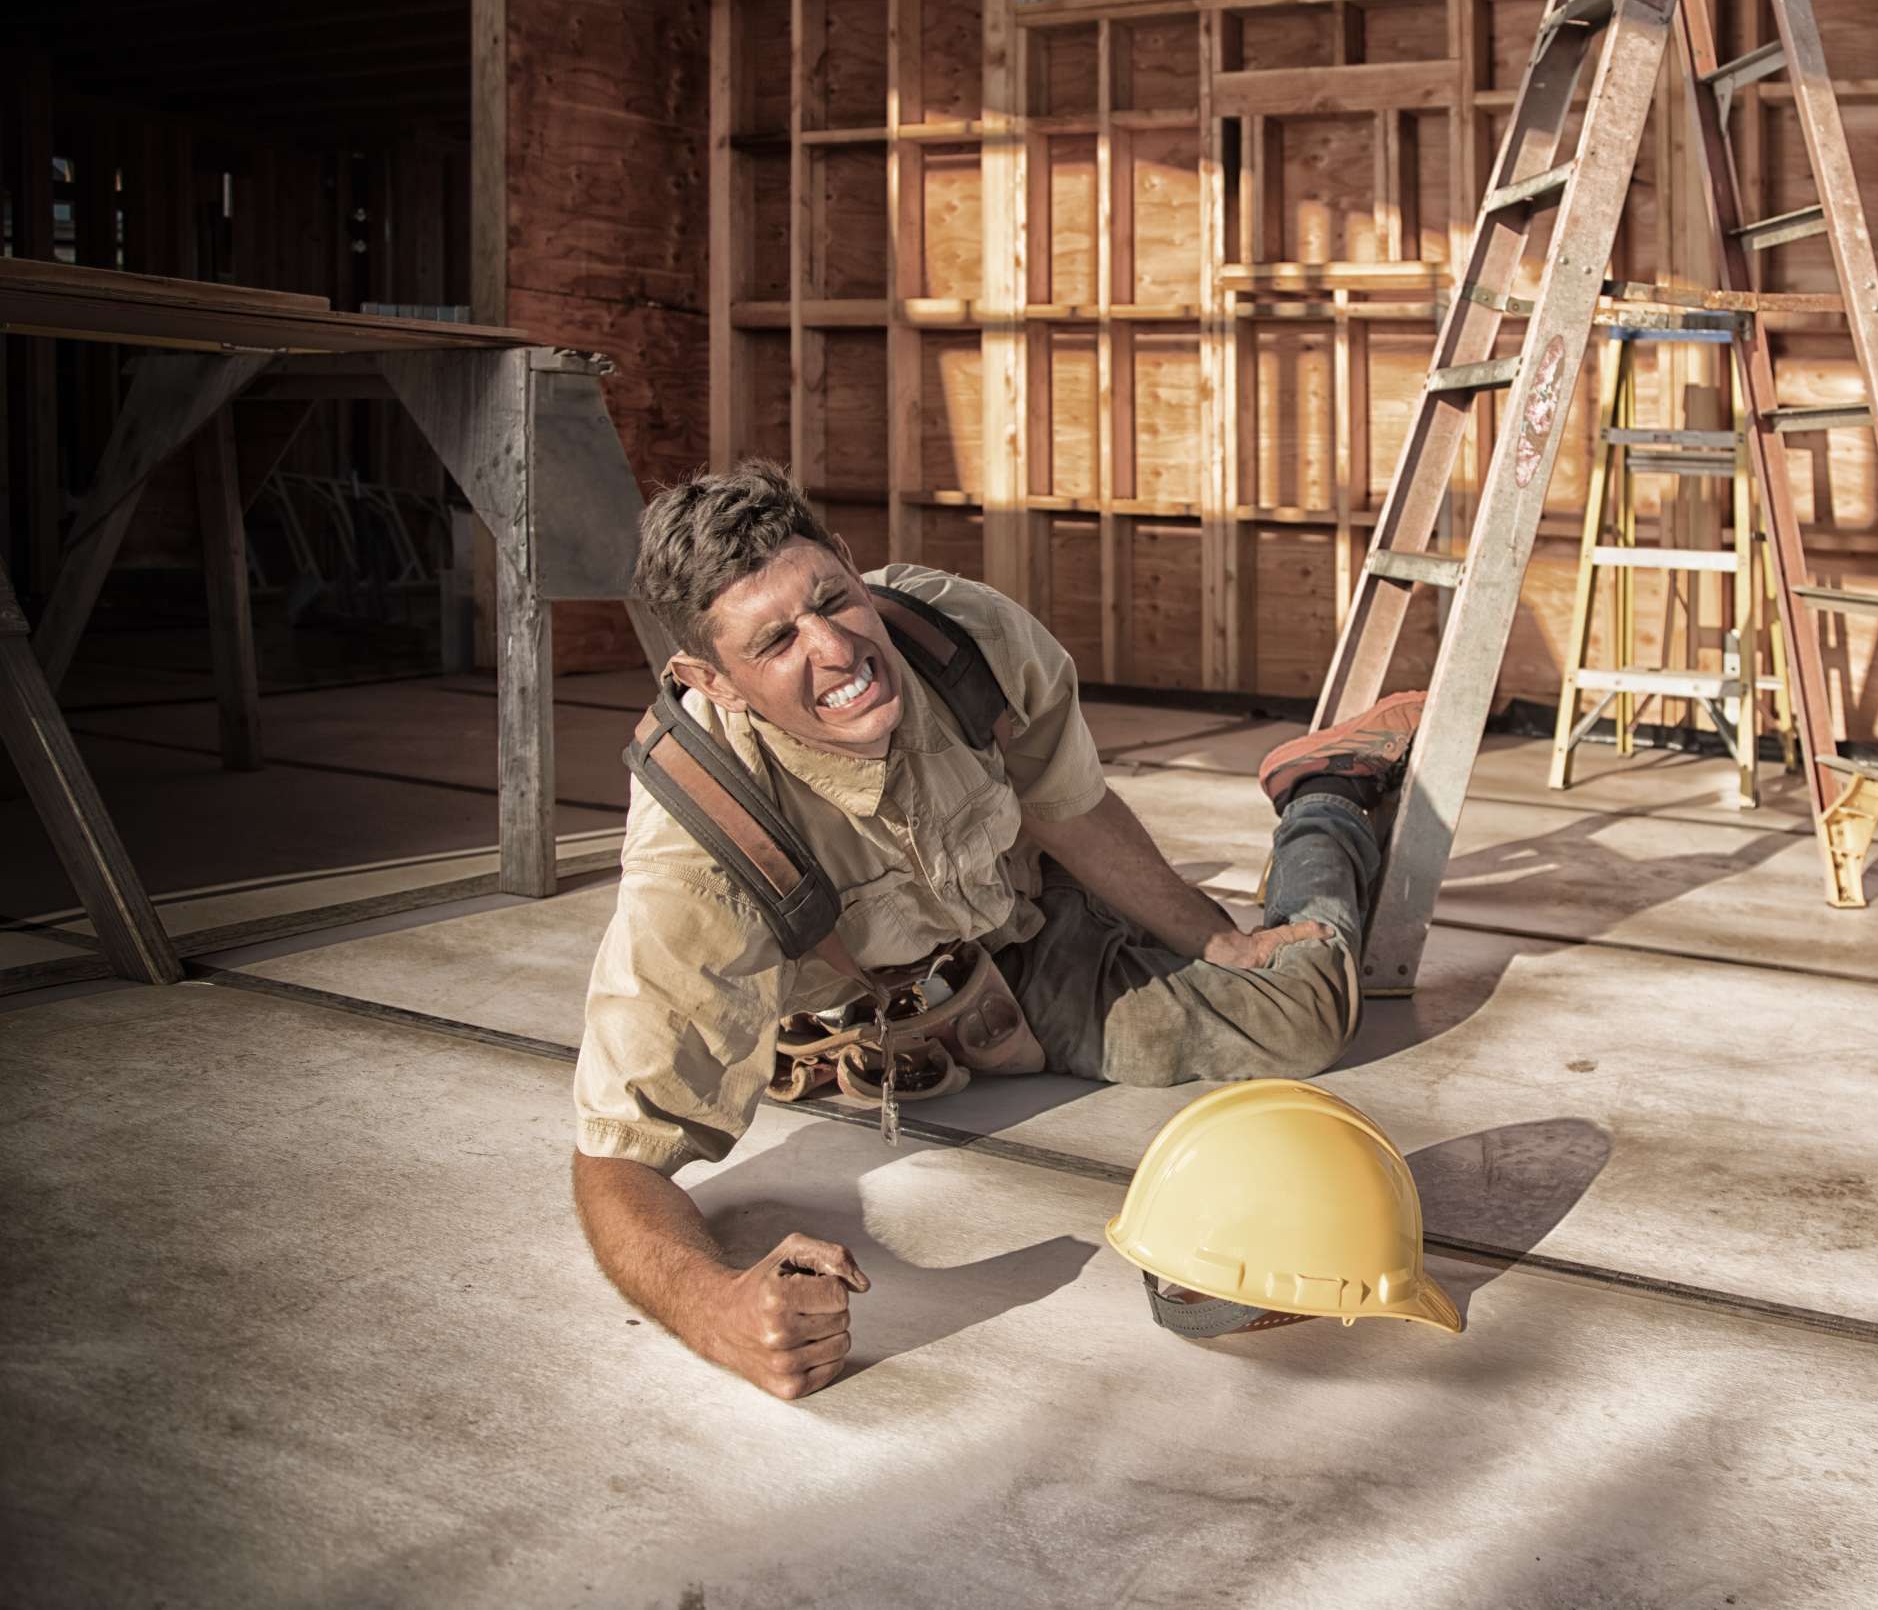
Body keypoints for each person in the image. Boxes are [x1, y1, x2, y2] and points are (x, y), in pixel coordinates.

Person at [569, 460, 1422, 1398]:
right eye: (776, 639)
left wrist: (1221, 940)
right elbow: (621, 1155)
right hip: (889, 1008)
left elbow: (1070, 810)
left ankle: (1325, 793)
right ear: (711, 679)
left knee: (1303, 1008)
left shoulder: (957, 635)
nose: (838, 649)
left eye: (833, 599)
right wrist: (713, 1310)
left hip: (1027, 921)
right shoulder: (702, 843)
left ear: (853, 565)